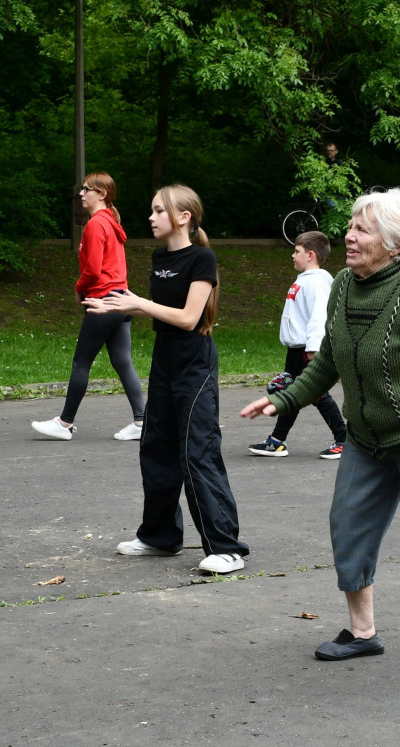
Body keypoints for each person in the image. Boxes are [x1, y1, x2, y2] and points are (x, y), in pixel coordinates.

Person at [240, 187, 400, 692]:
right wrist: (284, 400)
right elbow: (332, 364)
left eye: (363, 229)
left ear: (396, 243)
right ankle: (363, 632)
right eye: (352, 226)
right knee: (349, 524)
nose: (350, 236)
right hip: (365, 439)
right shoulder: (342, 285)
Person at [84, 184, 249, 575]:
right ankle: (160, 537)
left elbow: (190, 317)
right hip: (165, 359)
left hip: (195, 361)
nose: (151, 217)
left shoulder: (202, 259)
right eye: (153, 210)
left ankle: (226, 547)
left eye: (159, 211)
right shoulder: (160, 257)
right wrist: (117, 303)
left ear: (184, 217)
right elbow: (160, 310)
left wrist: (138, 303)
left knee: (197, 451)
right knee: (155, 446)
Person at [31, 172, 146, 441]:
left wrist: (78, 288)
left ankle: (64, 423)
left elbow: (94, 270)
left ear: (102, 194)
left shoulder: (96, 224)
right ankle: (142, 422)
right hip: (121, 298)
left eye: (86, 189)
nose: (81, 194)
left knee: (81, 362)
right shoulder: (111, 222)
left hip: (103, 301)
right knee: (122, 362)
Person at [248, 231, 347, 459]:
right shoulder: (304, 279)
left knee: (316, 395)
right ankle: (277, 441)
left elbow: (319, 317)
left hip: (306, 350)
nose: (293, 256)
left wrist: (313, 350)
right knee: (291, 393)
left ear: (310, 254)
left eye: (297, 251)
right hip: (296, 351)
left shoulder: (317, 282)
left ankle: (344, 440)